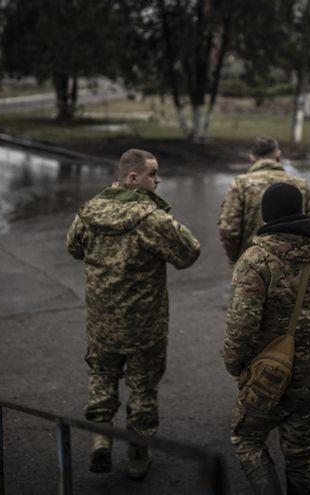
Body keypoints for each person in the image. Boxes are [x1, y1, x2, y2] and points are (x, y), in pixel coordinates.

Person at [66, 148, 201, 479]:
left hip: (101, 322)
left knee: (101, 378)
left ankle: (101, 439)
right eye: (153, 174)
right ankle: (138, 454)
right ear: (132, 178)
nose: (159, 180)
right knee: (142, 388)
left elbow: (73, 247)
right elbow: (189, 253)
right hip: (145, 325)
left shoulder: (88, 211)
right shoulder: (152, 219)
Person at [223, 182, 310, 495]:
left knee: (248, 439)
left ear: (267, 215)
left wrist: (234, 364)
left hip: (267, 372)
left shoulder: (255, 260)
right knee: (301, 451)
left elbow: (242, 326)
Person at [218, 136, 310, 266]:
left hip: (251, 266)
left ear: (252, 157)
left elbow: (229, 230)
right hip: (295, 266)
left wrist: (236, 259)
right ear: (278, 154)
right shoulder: (300, 184)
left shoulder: (240, 185)